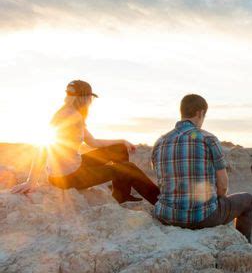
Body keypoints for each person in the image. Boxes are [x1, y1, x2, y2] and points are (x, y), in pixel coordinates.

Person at [11, 80, 159, 205]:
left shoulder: (73, 114)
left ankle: (122, 195)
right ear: (84, 98)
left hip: (75, 166)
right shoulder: (68, 116)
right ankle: (159, 200)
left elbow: (93, 142)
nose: (90, 102)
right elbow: (43, 147)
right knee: (128, 168)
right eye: (90, 98)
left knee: (119, 149)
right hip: (68, 177)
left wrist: (121, 141)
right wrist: (31, 181)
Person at [152, 94, 252, 241]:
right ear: (200, 113)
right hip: (202, 218)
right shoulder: (208, 139)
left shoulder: (160, 141)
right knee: (249, 200)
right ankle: (246, 246)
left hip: (166, 216)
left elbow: (162, 180)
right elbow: (223, 186)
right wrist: (216, 200)